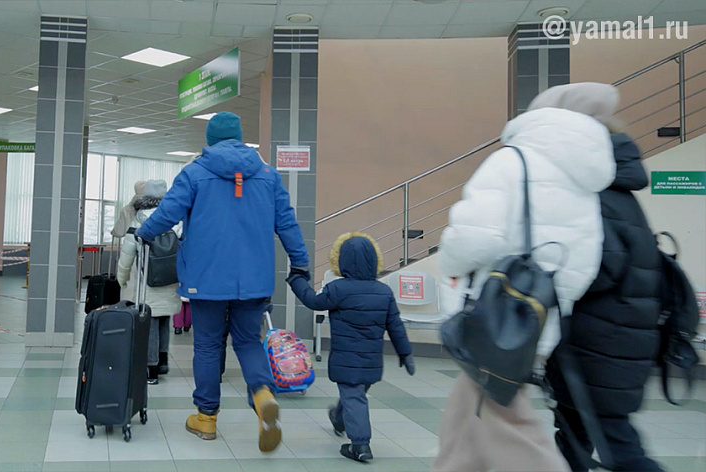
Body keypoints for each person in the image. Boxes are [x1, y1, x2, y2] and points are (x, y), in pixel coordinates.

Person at [432, 92, 617, 471]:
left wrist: (448, 262)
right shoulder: (582, 180)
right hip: (537, 319)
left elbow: (473, 237)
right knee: (467, 420)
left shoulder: (511, 162)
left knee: (509, 426)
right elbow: (587, 257)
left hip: (495, 320)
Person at [135, 111, 309, 452]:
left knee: (208, 346)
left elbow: (168, 213)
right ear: (241, 138)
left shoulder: (195, 173)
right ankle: (261, 394)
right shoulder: (268, 175)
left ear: (210, 140)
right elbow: (287, 223)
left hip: (207, 279)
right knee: (247, 342)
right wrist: (300, 262)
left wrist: (143, 232)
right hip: (255, 280)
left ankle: (206, 418)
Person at [529, 83, 666, 472]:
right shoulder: (619, 192)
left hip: (598, 343)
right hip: (612, 338)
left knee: (618, 444)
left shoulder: (596, 196)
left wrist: (545, 268)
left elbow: (598, 270)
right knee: (575, 433)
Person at [288, 232, 415, 462]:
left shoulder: (338, 289)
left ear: (342, 260)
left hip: (346, 361)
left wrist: (297, 280)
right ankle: (338, 419)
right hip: (371, 362)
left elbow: (312, 301)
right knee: (354, 394)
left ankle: (360, 445)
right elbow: (395, 325)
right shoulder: (383, 292)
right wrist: (405, 353)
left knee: (353, 396)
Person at [116, 180, 181, 385]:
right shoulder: (175, 223)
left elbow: (126, 258)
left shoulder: (138, 224)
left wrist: (122, 279)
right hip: (170, 282)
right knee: (164, 322)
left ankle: (150, 368)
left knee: (150, 324)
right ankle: (162, 362)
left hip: (147, 285)